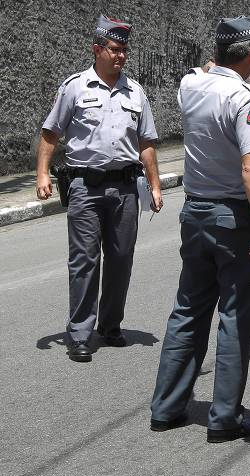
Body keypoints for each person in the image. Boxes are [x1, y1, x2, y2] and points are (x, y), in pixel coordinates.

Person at [150, 16, 250, 443]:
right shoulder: (245, 98)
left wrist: (211, 66)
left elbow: (200, 71)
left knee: (188, 310)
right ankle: (223, 418)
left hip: (195, 214)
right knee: (236, 318)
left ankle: (166, 408)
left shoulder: (191, 86)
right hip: (233, 220)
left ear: (218, 52)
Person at [35, 15, 163, 363]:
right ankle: (79, 332)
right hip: (85, 188)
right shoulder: (75, 87)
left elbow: (147, 142)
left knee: (121, 259)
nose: (120, 56)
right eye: (114, 49)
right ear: (97, 49)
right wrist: (42, 174)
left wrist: (154, 184)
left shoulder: (135, 92)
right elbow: (50, 133)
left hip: (124, 189)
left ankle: (110, 325)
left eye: (124, 51)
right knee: (84, 262)